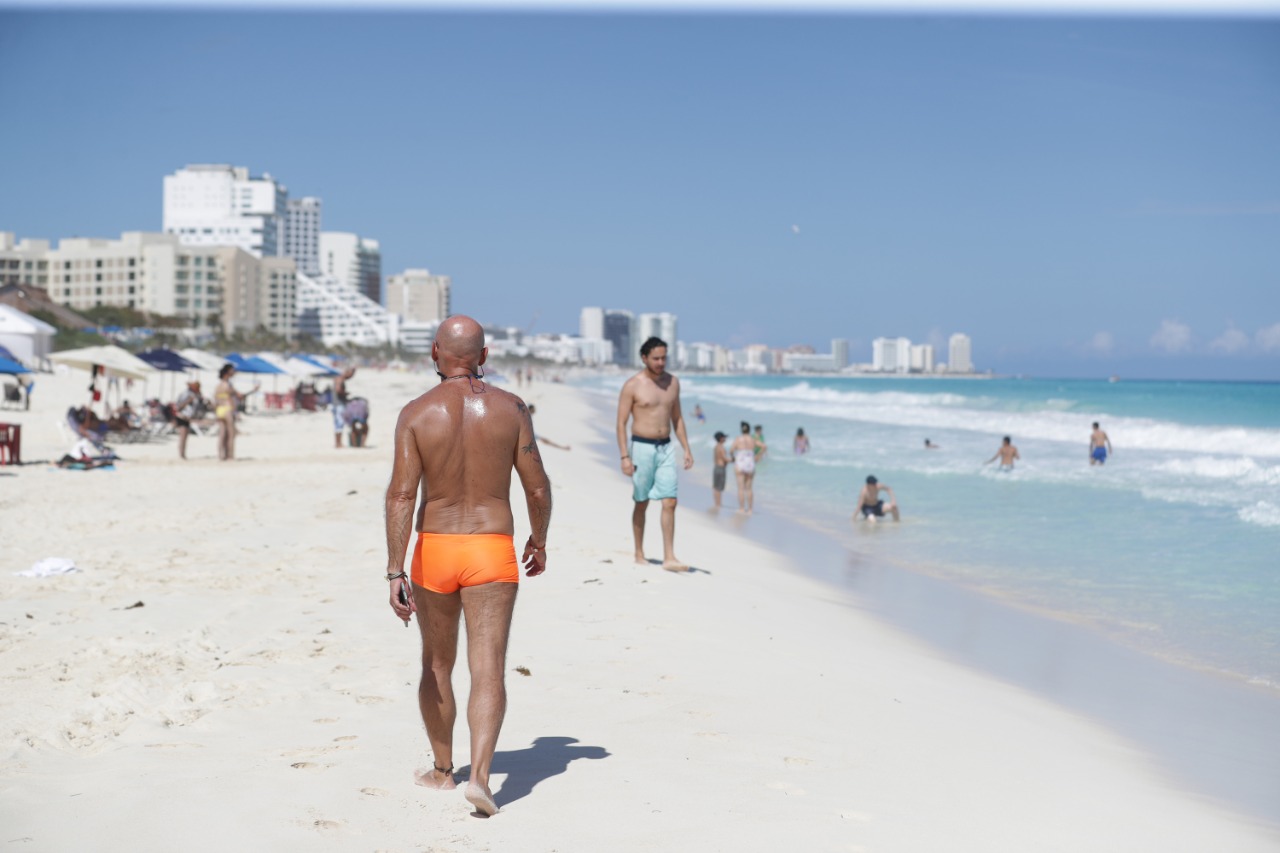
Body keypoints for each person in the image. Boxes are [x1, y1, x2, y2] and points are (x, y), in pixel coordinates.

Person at [384, 315, 552, 817]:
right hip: (490, 549)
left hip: (435, 548)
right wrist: (538, 540)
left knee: (437, 664)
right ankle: (481, 777)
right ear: (485, 353)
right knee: (488, 667)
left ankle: (442, 770)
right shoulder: (511, 408)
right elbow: (537, 486)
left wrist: (396, 570)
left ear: (435, 352)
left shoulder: (416, 412)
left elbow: (400, 495)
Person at [616, 336, 694, 571]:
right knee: (642, 502)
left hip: (666, 447)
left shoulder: (673, 383)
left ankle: (669, 556)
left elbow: (677, 418)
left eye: (664, 358)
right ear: (644, 358)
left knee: (670, 501)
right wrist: (624, 456)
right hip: (641, 448)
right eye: (656, 358)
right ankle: (639, 552)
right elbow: (621, 423)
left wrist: (686, 448)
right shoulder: (633, 385)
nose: (661, 362)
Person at [214, 363, 246, 461]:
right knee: (231, 434)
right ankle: (230, 455)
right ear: (227, 372)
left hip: (219, 410)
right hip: (228, 409)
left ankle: (221, 455)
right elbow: (234, 398)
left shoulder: (218, 385)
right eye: (232, 370)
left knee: (222, 434)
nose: (234, 372)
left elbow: (215, 400)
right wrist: (235, 412)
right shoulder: (228, 385)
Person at [730, 421, 757, 514]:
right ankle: (750, 509)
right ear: (749, 430)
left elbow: (731, 450)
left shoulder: (738, 439)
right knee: (749, 488)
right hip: (750, 461)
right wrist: (758, 456)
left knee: (741, 488)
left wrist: (733, 457)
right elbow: (764, 446)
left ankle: (741, 508)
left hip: (740, 462)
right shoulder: (752, 439)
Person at [174, 380, 205, 460]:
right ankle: (181, 454)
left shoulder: (193, 394)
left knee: (185, 436)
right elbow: (178, 406)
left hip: (186, 417)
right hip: (182, 416)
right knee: (183, 436)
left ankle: (183, 454)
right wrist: (188, 401)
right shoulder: (186, 394)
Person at [334, 367, 356, 448]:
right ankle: (338, 443)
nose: (350, 377)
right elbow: (338, 390)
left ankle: (338, 443)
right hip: (338, 404)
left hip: (338, 404)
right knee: (339, 424)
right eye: (351, 375)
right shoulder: (340, 379)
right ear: (347, 372)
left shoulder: (338, 378)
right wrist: (345, 394)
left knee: (338, 424)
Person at [712, 431, 729, 509]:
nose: (725, 439)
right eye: (724, 437)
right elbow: (724, 458)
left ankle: (717, 503)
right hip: (720, 468)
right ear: (721, 438)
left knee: (716, 487)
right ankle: (718, 504)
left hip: (716, 467)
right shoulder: (721, 447)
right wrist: (733, 459)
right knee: (719, 487)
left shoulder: (716, 446)